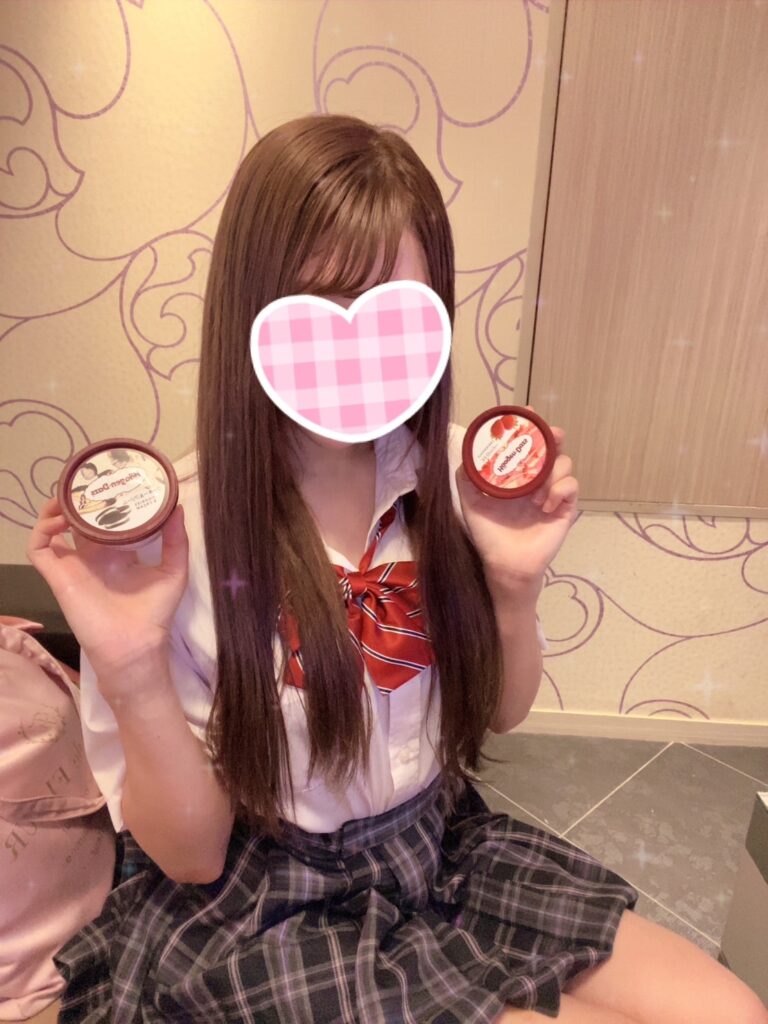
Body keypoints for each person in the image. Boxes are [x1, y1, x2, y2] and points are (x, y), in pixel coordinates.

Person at [27, 114, 767, 1024]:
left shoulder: (457, 475)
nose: (355, 354)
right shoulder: (177, 541)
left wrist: (514, 587)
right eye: (321, 310)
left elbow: (498, 713)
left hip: (435, 853)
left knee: (731, 1011)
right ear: (253, 315)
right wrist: (131, 664)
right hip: (269, 904)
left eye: (392, 315)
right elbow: (192, 857)